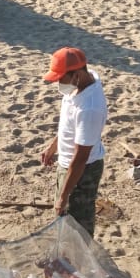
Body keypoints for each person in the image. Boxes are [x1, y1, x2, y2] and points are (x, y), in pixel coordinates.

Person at [39, 47, 107, 236]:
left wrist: (63, 195)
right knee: (62, 224)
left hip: (81, 173)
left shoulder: (89, 108)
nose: (58, 83)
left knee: (77, 230)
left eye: (61, 78)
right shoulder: (84, 80)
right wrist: (54, 145)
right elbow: (70, 124)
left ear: (77, 75)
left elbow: (81, 156)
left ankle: (81, 265)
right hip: (68, 166)